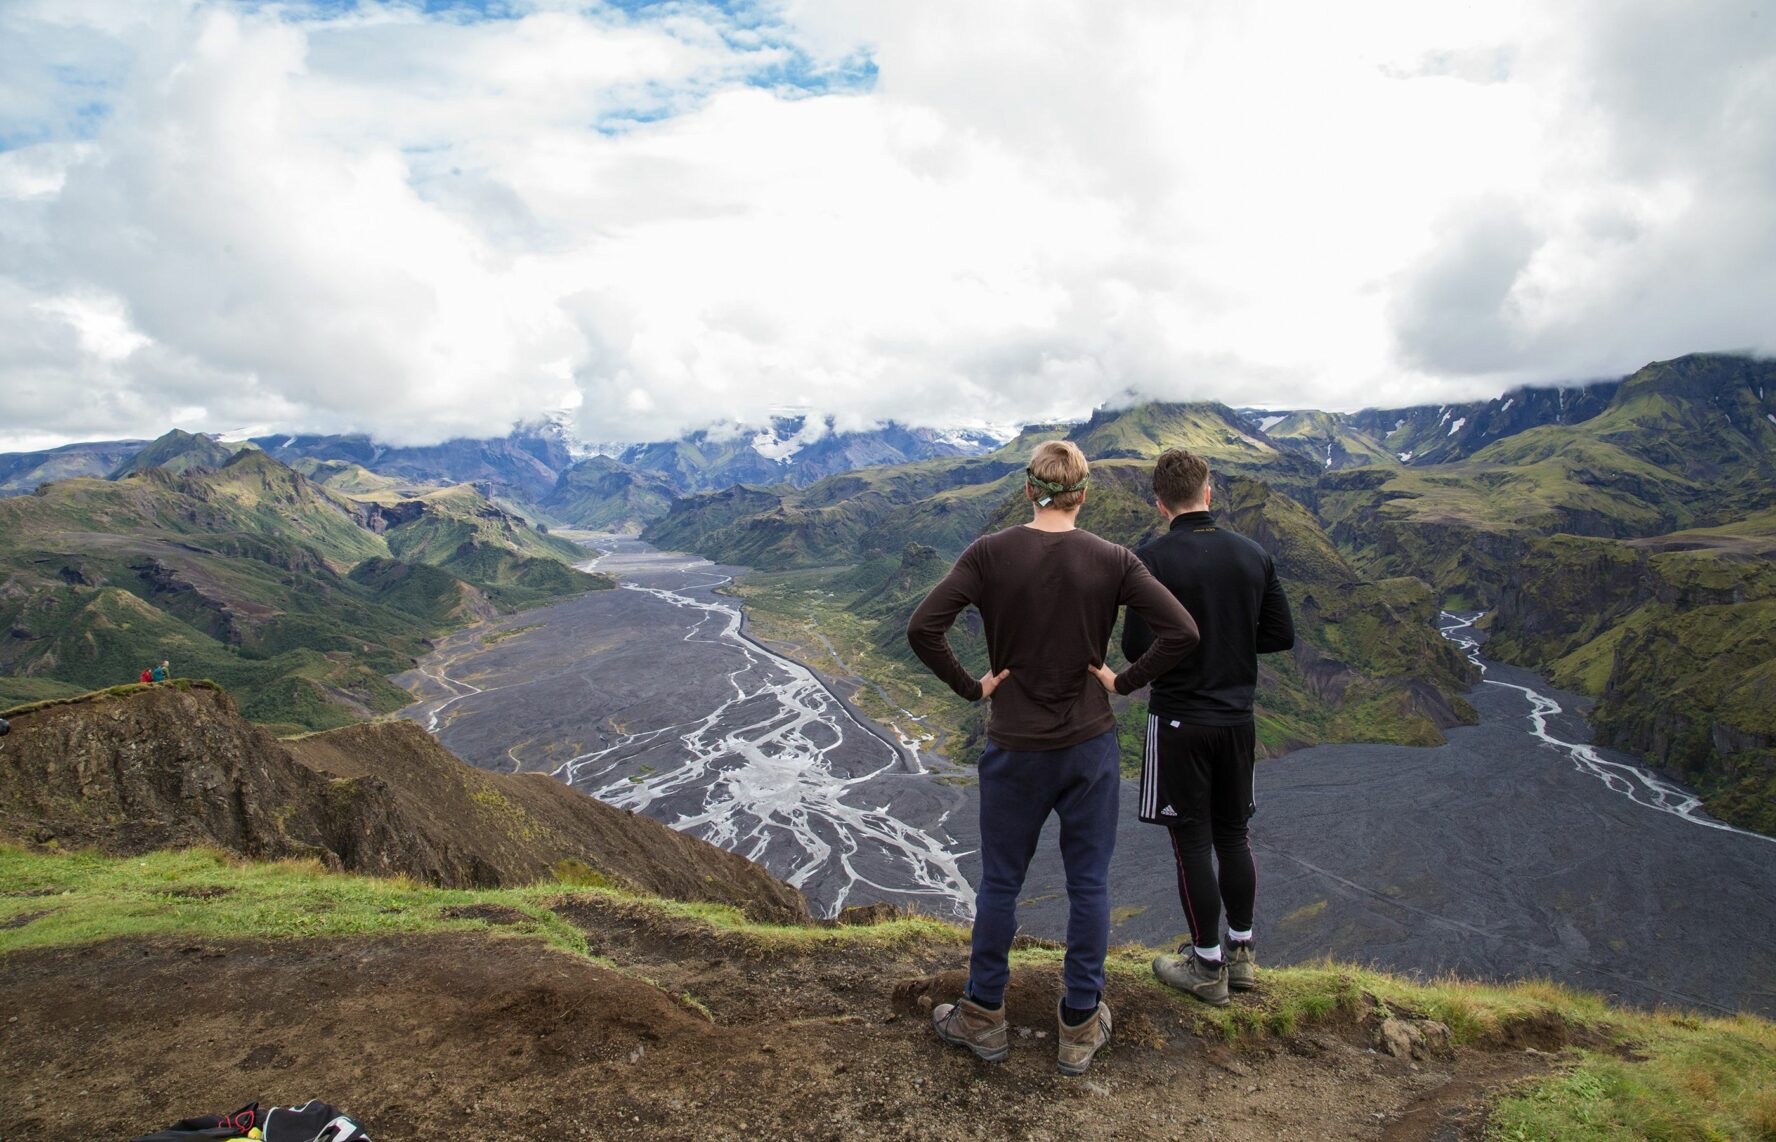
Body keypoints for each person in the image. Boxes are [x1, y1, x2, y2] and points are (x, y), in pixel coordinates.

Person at [907, 440, 1200, 1075]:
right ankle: (1080, 1024)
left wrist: (972, 685)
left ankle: (983, 1016)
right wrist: (1122, 681)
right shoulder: (1113, 560)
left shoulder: (989, 554)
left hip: (1013, 747)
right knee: (1088, 883)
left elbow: (922, 628)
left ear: (1027, 489)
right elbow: (1183, 632)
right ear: (1082, 494)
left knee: (1002, 883)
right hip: (1088, 747)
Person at [1122, 449, 1294, 1006]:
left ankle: (1205, 965)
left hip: (1178, 720)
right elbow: (1279, 635)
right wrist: (1231, 635)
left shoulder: (1150, 560)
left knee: (1190, 841)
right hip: (1237, 720)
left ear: (1159, 502)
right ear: (1208, 493)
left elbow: (1132, 647)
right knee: (1232, 834)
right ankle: (1241, 954)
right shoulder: (1252, 555)